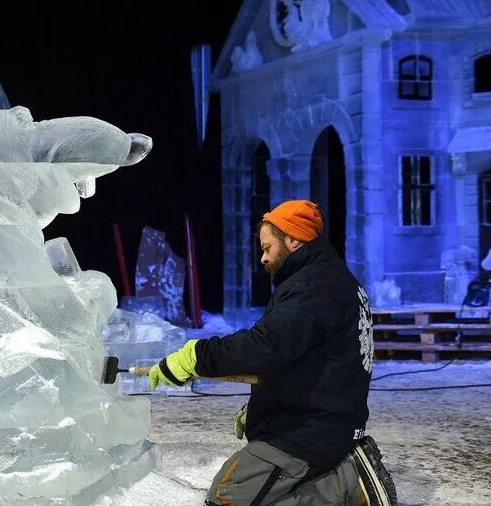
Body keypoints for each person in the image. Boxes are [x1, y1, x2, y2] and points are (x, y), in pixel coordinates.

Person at [150, 200, 396, 506]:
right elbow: (301, 358)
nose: (263, 258)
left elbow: (263, 345)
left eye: (268, 247)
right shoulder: (326, 279)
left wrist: (196, 356)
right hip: (318, 420)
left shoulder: (315, 286)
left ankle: (347, 482)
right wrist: (263, 405)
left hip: (309, 432)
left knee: (227, 498)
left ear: (293, 239)